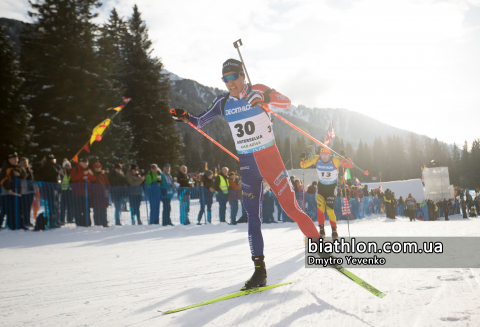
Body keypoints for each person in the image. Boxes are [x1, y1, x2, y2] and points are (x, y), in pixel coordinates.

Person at [171, 58, 321, 290]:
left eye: (233, 77)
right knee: (253, 218)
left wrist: (264, 98)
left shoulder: (257, 90)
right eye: (225, 79)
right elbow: (200, 121)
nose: (230, 82)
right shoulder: (222, 101)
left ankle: (320, 247)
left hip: (270, 159)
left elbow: (286, 101)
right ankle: (259, 272)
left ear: (242, 76)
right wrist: (185, 117)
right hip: (248, 165)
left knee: (291, 208)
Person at [300, 147, 354, 239]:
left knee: (329, 210)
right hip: (321, 187)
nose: (324, 157)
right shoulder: (317, 158)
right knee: (320, 210)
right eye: (322, 155)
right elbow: (303, 165)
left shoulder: (335, 159)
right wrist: (302, 158)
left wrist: (345, 157)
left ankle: (334, 231)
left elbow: (350, 165)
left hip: (331, 188)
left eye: (326, 155)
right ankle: (321, 230)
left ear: (330, 154)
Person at [0, 152, 25, 230]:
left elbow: (25, 176)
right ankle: (10, 225)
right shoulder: (5, 168)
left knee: (18, 209)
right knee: (7, 209)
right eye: (14, 159)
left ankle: (18, 224)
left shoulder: (19, 168)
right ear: (9, 160)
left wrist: (19, 175)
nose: (16, 160)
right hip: (6, 193)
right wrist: (9, 189)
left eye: (16, 159)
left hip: (17, 192)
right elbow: (3, 179)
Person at [37, 154, 63, 228]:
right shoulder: (48, 166)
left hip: (54, 187)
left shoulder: (53, 165)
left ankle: (55, 221)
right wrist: (57, 173)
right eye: (52, 159)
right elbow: (48, 176)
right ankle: (52, 222)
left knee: (55, 205)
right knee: (52, 205)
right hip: (49, 188)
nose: (54, 160)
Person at [70, 158, 96, 227]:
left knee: (86, 209)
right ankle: (79, 224)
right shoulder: (75, 169)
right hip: (77, 193)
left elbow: (93, 178)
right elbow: (73, 178)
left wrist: (87, 177)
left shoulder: (88, 169)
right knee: (78, 210)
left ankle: (87, 223)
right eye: (84, 162)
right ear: (80, 163)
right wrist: (82, 174)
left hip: (86, 193)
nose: (85, 164)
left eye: (86, 162)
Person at [90, 163, 110, 227]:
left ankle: (104, 223)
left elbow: (107, 184)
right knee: (96, 211)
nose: (98, 168)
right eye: (96, 167)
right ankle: (97, 224)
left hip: (103, 196)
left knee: (103, 210)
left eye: (99, 167)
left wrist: (107, 191)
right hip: (95, 196)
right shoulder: (92, 175)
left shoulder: (103, 175)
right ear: (94, 168)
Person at [19, 157, 35, 228]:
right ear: (20, 163)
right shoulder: (19, 170)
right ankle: (24, 222)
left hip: (30, 190)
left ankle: (28, 221)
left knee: (28, 207)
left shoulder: (29, 170)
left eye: (26, 162)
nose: (25, 164)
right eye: (24, 162)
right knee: (24, 207)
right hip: (23, 191)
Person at [59, 159, 74, 224]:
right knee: (63, 206)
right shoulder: (62, 171)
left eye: (69, 165)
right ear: (64, 166)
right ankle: (62, 219)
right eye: (67, 165)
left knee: (70, 205)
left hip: (70, 190)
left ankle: (70, 219)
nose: (69, 166)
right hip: (63, 190)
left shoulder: (72, 172)